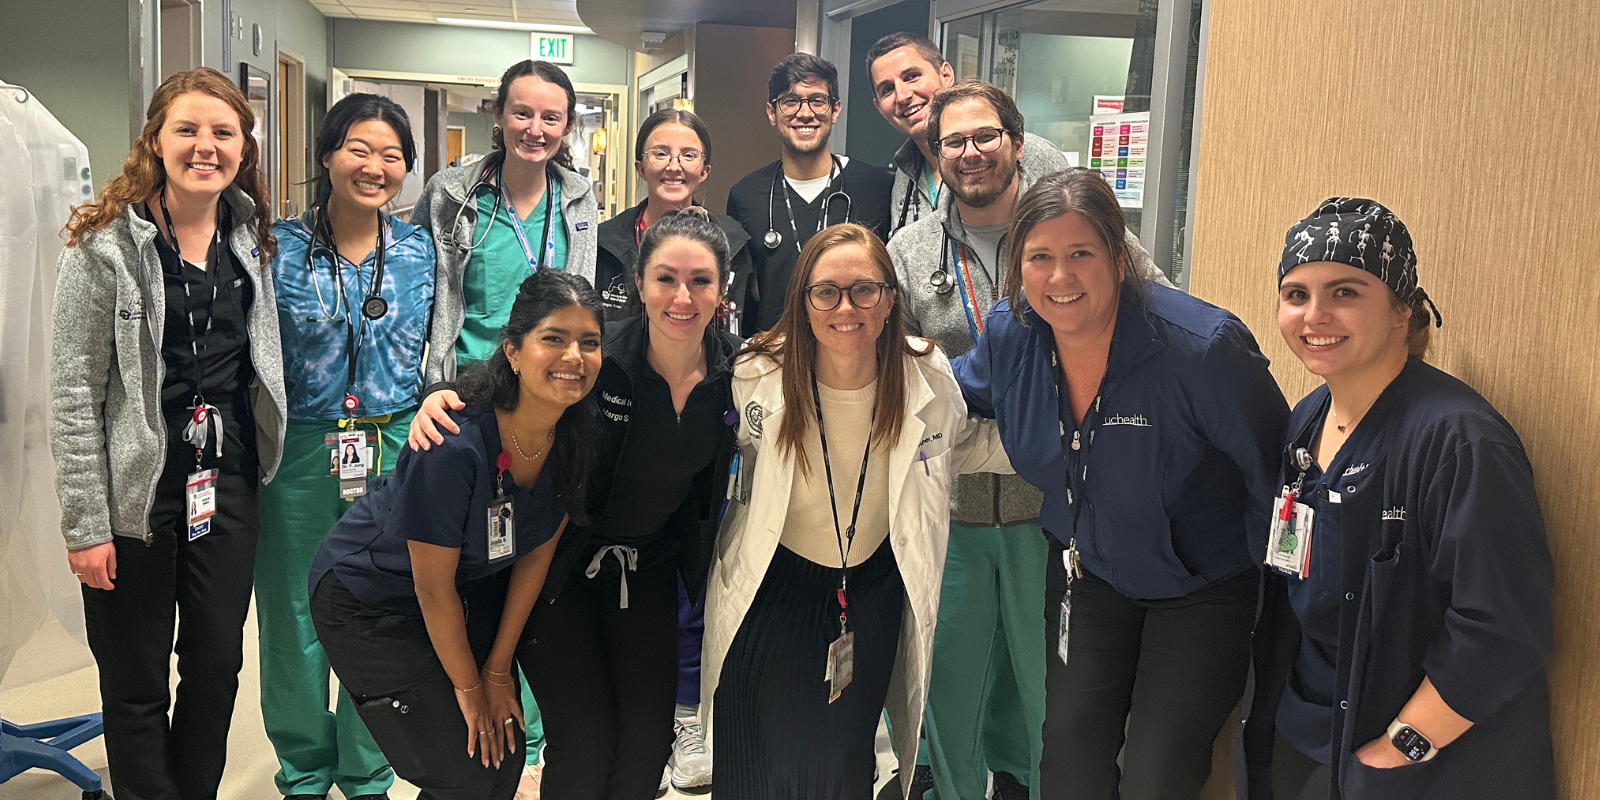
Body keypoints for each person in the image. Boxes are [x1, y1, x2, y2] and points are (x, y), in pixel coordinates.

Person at [952, 168, 1288, 799]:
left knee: (1156, 775)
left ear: (1119, 255)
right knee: (1068, 763)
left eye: (1081, 253)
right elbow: (947, 391)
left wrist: (1292, 614)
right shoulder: (1012, 335)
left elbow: (1275, 473)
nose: (1060, 278)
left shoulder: (1200, 348)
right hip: (1090, 577)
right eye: (1040, 257)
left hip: (1203, 588)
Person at [882, 78, 1169, 800]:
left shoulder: (1071, 226)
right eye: (954, 141)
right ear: (934, 153)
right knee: (947, 696)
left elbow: (1154, 315)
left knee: (1051, 703)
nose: (970, 152)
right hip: (952, 514)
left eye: (985, 136)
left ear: (1016, 142)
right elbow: (912, 389)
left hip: (1060, 518)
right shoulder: (909, 251)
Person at [410, 209, 741, 798]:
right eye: (665, 278)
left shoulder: (738, 371)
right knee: (584, 747)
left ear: (724, 289)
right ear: (638, 284)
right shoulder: (596, 357)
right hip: (556, 570)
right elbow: (510, 382)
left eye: (701, 280)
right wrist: (440, 396)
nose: (682, 297)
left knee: (644, 750)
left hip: (652, 571)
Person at [1240, 198, 1554, 799]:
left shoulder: (1459, 441)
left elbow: (1503, 630)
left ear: (1401, 311)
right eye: (1296, 294)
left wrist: (1401, 749)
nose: (1315, 315)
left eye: (1347, 292)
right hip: (1307, 725)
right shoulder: (1308, 419)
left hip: (1412, 756)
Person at [704, 222, 1009, 799]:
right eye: (827, 292)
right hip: (771, 595)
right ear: (803, 300)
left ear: (892, 300)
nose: (847, 308)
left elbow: (958, 444)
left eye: (865, 289)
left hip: (868, 598)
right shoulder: (757, 373)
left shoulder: (925, 374)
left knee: (843, 770)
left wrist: (1063, 441)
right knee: (755, 770)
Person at [50, 67, 287, 800]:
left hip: (228, 485)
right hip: (133, 498)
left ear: (243, 147)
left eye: (223, 132)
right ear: (155, 140)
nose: (205, 147)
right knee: (135, 682)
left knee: (216, 668)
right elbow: (71, 396)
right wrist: (87, 526)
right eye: (187, 129)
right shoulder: (102, 248)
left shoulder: (252, 238)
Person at [309, 268, 603, 800]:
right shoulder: (453, 443)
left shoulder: (577, 437)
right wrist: (468, 688)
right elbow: (430, 587)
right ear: (513, 351)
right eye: (553, 339)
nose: (573, 357)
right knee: (464, 761)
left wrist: (496, 671)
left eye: (589, 342)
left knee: (505, 753)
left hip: (464, 586)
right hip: (369, 597)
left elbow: (536, 557)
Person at [410, 58, 598, 793]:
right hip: (473, 408)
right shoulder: (454, 195)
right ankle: (462, 718)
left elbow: (581, 305)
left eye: (553, 117)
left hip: (549, 405)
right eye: (523, 113)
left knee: (532, 568)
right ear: (499, 115)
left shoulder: (577, 198)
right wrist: (433, 391)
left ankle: (526, 732)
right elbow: (436, 302)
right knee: (467, 574)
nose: (537, 129)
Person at [256, 92, 437, 800]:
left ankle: (368, 771)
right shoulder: (275, 247)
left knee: (384, 610)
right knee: (294, 612)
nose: (375, 166)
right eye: (359, 149)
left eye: (392, 156)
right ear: (327, 153)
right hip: (302, 449)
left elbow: (439, 348)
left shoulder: (421, 250)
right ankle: (303, 771)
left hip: (394, 444)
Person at [725, 53, 894, 332]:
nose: (805, 113)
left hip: (855, 351)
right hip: (773, 356)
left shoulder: (877, 188)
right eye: (790, 102)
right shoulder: (746, 196)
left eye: (818, 100)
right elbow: (742, 297)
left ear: (835, 110)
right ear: (771, 112)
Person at [594, 108, 754, 339]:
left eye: (688, 155)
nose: (674, 166)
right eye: (660, 154)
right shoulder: (604, 244)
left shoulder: (734, 243)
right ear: (641, 168)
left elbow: (741, 328)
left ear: (704, 172)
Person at [864, 32, 955, 238]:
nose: (903, 96)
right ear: (879, 107)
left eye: (912, 77)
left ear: (946, 76)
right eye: (887, 89)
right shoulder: (903, 181)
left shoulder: (1021, 154)